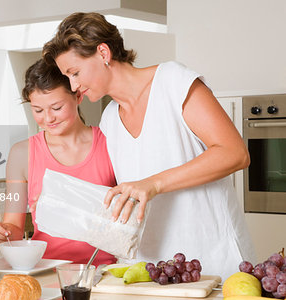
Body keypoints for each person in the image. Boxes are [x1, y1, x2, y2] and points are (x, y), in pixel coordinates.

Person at [42, 12, 256, 279]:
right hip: (153, 273)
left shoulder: (173, 82)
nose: (73, 85)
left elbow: (235, 153)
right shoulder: (110, 119)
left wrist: (153, 184)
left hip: (214, 263)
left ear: (103, 53)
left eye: (75, 73)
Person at [0, 59, 117, 266]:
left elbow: (128, 215)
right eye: (38, 110)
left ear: (78, 95)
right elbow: (15, 226)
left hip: (102, 271)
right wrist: (3, 233)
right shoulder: (22, 154)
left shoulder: (110, 144)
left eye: (56, 107)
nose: (48, 118)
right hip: (45, 270)